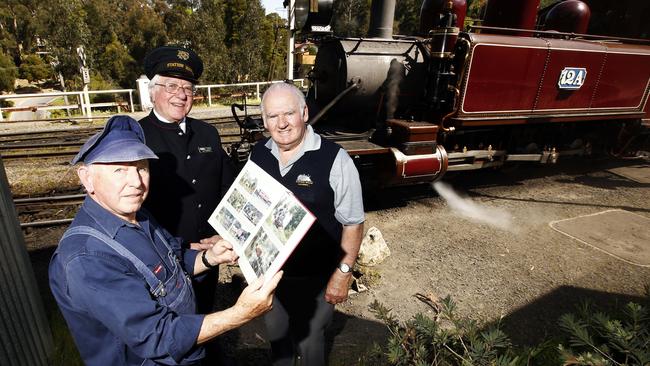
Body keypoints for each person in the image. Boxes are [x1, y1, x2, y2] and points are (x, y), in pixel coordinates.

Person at [49, 115, 281, 366]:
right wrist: (240, 314)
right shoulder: (87, 258)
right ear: (86, 178)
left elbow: (173, 259)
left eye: (142, 167)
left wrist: (210, 257)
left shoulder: (137, 214)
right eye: (119, 170)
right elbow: (158, 336)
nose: (136, 182)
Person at [250, 82, 365, 366]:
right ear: (264, 121)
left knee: (311, 344)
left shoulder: (335, 159)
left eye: (288, 113)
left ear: (303, 112)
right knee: (278, 342)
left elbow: (353, 223)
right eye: (273, 116)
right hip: (271, 277)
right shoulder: (258, 154)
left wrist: (343, 273)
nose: (282, 123)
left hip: (318, 278)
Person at [138, 45, 235, 315]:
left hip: (210, 254)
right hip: (161, 259)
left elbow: (228, 188)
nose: (181, 95)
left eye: (188, 88)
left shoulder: (207, 134)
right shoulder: (137, 138)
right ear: (153, 91)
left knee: (204, 313)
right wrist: (179, 247)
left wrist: (224, 233)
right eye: (171, 86)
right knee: (170, 325)